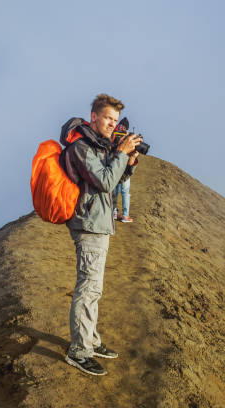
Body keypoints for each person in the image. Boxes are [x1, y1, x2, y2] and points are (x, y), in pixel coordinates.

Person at [59, 94, 140, 376]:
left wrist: (127, 166)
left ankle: (90, 341)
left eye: (115, 120)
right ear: (93, 116)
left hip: (99, 223)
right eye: (108, 118)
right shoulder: (82, 146)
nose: (112, 124)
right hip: (88, 224)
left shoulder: (98, 145)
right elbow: (104, 181)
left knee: (95, 288)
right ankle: (79, 351)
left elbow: (112, 181)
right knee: (88, 288)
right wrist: (120, 153)